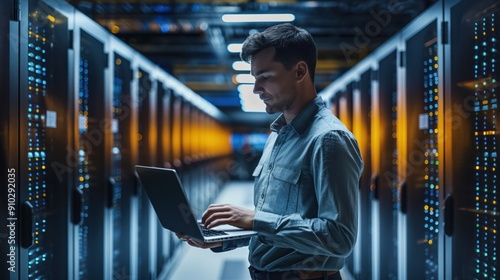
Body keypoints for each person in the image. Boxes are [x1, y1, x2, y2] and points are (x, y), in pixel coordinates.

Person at [178, 23, 363, 280]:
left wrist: (255, 219)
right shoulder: (278, 134)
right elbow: (278, 229)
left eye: (265, 77)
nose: (256, 89)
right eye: (254, 78)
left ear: (299, 71)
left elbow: (339, 238)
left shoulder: (329, 139)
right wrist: (223, 239)